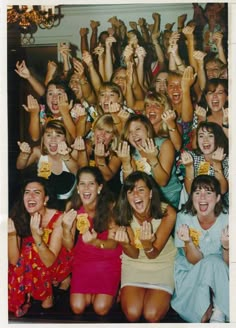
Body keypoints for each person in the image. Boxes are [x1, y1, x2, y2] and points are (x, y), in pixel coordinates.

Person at [113, 171, 176, 322]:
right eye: (130, 191)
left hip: (162, 264)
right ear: (126, 197)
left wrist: (147, 244)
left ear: (151, 194)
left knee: (151, 315)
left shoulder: (168, 212)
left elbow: (152, 254)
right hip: (134, 264)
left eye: (141, 189)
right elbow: (133, 254)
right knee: (132, 313)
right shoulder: (122, 212)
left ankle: (167, 298)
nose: (136, 195)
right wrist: (125, 244)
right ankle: (126, 292)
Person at [61, 166, 122, 315]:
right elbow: (69, 246)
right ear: (77, 188)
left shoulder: (110, 206)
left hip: (108, 258)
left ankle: (118, 291)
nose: (86, 188)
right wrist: (65, 228)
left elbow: (113, 244)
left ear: (99, 187)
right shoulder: (72, 206)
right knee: (77, 307)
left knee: (100, 309)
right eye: (82, 183)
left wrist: (94, 242)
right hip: (84, 259)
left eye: (91, 184)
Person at [8, 177, 72, 317]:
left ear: (46, 199)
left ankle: (38, 295)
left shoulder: (58, 217)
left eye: (36, 192)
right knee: (27, 252)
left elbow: (50, 260)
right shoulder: (17, 217)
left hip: (56, 264)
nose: (30, 196)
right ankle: (31, 294)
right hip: (29, 266)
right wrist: (12, 235)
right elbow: (14, 261)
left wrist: (37, 237)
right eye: (27, 192)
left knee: (32, 249)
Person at [171, 175, 229, 323]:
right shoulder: (183, 218)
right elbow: (194, 260)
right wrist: (188, 242)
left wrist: (227, 247)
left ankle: (220, 309)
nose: (202, 197)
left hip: (222, 274)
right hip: (191, 271)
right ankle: (220, 308)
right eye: (197, 192)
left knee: (215, 262)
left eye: (208, 192)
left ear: (217, 198)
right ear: (192, 197)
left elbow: (229, 263)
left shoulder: (228, 218)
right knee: (201, 317)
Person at [117, 114, 182, 209]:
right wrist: (126, 163)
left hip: (167, 198)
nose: (134, 134)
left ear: (147, 130)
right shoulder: (132, 153)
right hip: (143, 199)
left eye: (138, 129)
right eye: (130, 132)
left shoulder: (165, 144)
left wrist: (153, 159)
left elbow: (163, 182)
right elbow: (129, 185)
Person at [16, 119, 78, 210]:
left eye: (58, 135)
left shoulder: (73, 153)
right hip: (45, 204)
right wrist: (24, 155)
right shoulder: (38, 152)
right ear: (43, 138)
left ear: (65, 138)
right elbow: (20, 166)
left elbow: (78, 172)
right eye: (48, 135)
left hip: (69, 204)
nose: (53, 139)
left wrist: (66, 157)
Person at [77, 114, 122, 197]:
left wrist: (100, 159)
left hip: (110, 195)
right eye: (100, 129)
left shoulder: (117, 152)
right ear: (94, 130)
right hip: (88, 193)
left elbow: (106, 177)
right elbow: (82, 171)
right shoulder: (87, 145)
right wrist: (81, 151)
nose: (102, 134)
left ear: (113, 136)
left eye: (108, 132)